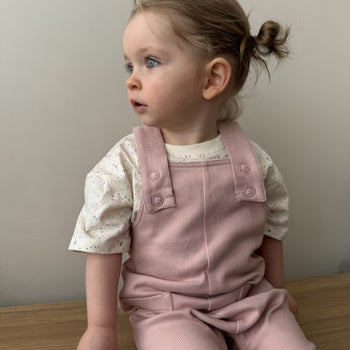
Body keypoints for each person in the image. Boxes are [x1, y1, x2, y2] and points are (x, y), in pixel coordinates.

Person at [69, 0, 316, 349]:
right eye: (129, 66)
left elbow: (271, 228)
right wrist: (100, 328)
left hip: (251, 299)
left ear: (212, 77)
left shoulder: (253, 160)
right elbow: (104, 246)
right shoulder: (125, 165)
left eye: (150, 62)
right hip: (167, 310)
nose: (132, 80)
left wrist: (277, 291)